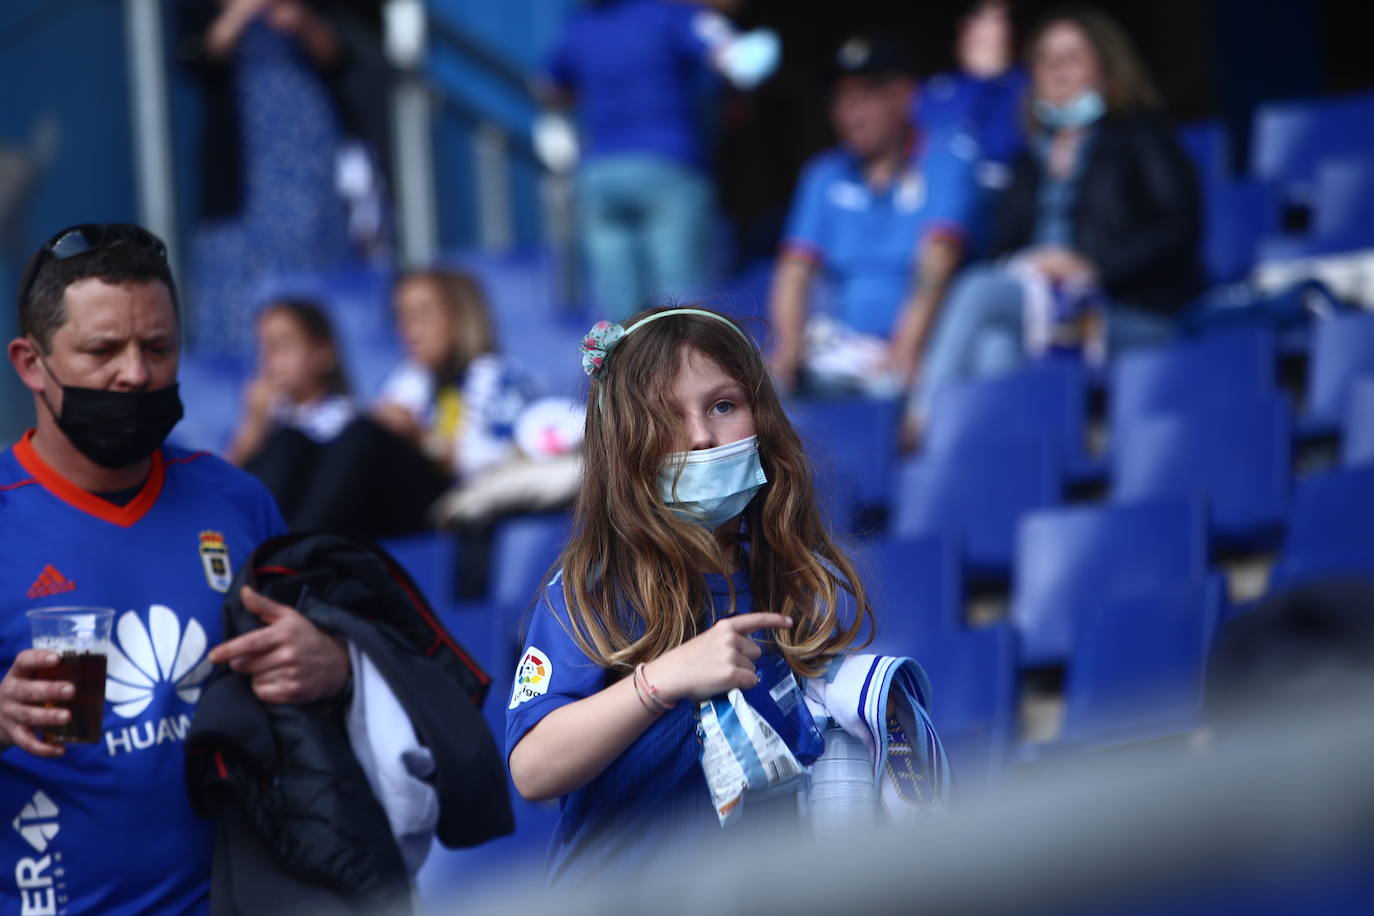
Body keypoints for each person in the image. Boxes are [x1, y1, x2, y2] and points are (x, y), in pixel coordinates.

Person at [0, 223, 350, 914]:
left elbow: (338, 687)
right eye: (103, 350)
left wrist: (332, 661)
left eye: (157, 347)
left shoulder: (236, 498)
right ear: (31, 363)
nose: (135, 373)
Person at [505, 305, 884, 883]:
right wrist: (664, 680)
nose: (702, 436)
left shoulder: (789, 580)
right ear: (624, 447)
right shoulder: (593, 590)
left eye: (723, 406)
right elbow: (533, 769)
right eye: (666, 417)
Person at [913, 7, 1203, 420]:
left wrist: (1091, 267)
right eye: (1046, 61)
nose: (1056, 71)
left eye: (1071, 57)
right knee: (995, 349)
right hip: (1039, 306)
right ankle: (1013, 467)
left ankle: (920, 419)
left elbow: (1178, 227)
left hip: (1125, 311)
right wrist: (1029, 265)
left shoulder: (1142, 133)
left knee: (976, 290)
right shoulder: (1028, 159)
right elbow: (1002, 245)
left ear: (1106, 68)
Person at [539, 0, 779, 318]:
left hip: (601, 173)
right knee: (681, 306)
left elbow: (548, 86)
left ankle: (619, 368)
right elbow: (740, 62)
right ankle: (684, 368)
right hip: (668, 167)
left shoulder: (580, 25)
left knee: (620, 314)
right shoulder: (672, 15)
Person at [768, 35, 976, 398]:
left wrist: (903, 350)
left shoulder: (946, 161)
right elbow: (794, 270)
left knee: (888, 388)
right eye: (841, 100)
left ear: (903, 96)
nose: (851, 114)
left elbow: (937, 263)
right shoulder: (824, 173)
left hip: (924, 344)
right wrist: (787, 351)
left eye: (864, 97)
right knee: (763, 388)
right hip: (837, 345)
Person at [290, 267, 533, 542]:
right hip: (398, 507)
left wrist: (422, 439)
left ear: (461, 316)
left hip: (454, 508)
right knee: (291, 441)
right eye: (401, 317)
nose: (408, 329)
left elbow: (502, 460)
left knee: (363, 437)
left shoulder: (499, 377)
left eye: (422, 315)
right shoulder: (409, 378)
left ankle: (298, 553)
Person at [177, 0, 353, 355]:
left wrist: (303, 21)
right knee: (236, 270)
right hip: (241, 165)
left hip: (305, 149)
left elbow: (341, 60)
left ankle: (313, 361)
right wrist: (241, 12)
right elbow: (195, 60)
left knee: (312, 255)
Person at [226, 298, 355, 526]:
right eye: (263, 346)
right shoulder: (266, 424)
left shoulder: (346, 419)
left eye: (281, 345)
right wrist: (254, 422)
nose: (268, 359)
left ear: (323, 353)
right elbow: (225, 486)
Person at [915, 0, 1029, 256]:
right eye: (982, 15)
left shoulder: (1025, 88)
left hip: (996, 217)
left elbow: (1006, 149)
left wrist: (988, 80)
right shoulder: (934, 90)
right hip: (926, 213)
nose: (997, 28)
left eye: (1003, 18)